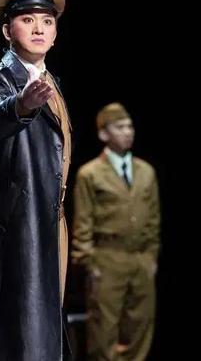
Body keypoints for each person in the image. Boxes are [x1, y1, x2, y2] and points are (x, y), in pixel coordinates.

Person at [0, 0, 73, 360]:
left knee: (46, 328)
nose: (39, 29)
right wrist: (21, 106)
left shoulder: (51, 81)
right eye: (27, 20)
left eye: (47, 21)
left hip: (49, 222)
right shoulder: (1, 79)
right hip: (17, 225)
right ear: (8, 30)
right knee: (17, 333)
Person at [71, 103, 160, 361]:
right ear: (103, 134)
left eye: (129, 126)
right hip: (107, 257)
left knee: (140, 324)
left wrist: (151, 256)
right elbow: (83, 222)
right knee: (104, 328)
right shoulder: (90, 173)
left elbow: (153, 219)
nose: (128, 132)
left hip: (140, 257)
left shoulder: (146, 171)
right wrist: (89, 262)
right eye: (119, 127)